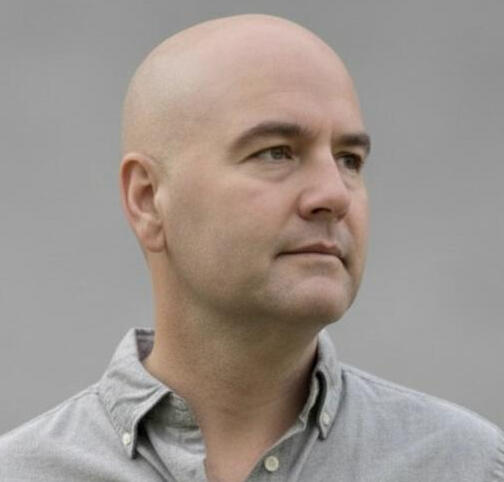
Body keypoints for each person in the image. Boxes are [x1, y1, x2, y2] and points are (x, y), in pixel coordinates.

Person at [0, 13, 502, 482]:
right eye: (276, 152)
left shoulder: (467, 465)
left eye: (349, 159)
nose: (333, 194)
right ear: (148, 200)